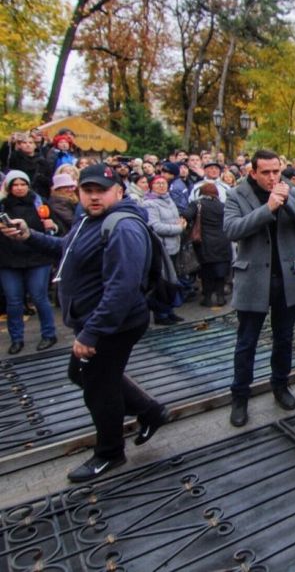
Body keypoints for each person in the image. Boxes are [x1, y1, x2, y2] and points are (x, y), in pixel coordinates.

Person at [0, 163, 169, 482]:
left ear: (118, 192)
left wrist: (91, 333)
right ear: (77, 192)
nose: (93, 197)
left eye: (101, 191)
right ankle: (150, 411)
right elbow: (68, 251)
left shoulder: (122, 227)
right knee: (84, 375)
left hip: (114, 324)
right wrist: (29, 236)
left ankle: (110, 453)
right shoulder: (87, 220)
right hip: (97, 321)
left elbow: (122, 287)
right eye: (87, 191)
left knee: (98, 388)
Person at [223, 149, 295, 427]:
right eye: (266, 172)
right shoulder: (236, 195)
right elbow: (232, 230)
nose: (272, 177)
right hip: (253, 279)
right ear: (253, 172)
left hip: (286, 278)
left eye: (276, 171)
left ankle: (281, 385)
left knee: (284, 338)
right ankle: (240, 395)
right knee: (247, 342)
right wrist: (268, 209)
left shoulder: (292, 192)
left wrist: (287, 202)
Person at [0, 170, 60, 353]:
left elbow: (55, 226)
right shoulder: (2, 205)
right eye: (15, 185)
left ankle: (49, 334)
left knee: (39, 297)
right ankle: (16, 338)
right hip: (9, 259)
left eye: (22, 184)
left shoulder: (39, 202)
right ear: (9, 187)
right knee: (13, 301)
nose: (19, 188)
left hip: (37, 257)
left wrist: (53, 226)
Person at [142, 174, 187, 325]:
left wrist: (180, 222)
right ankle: (161, 314)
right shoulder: (150, 203)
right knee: (161, 282)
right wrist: (178, 228)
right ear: (151, 186)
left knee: (171, 281)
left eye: (164, 183)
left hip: (173, 246)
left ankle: (169, 310)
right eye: (158, 183)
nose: (161, 186)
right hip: (162, 248)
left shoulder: (169, 200)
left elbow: (174, 218)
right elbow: (155, 226)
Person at [183, 182, 232, 307]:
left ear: (201, 192)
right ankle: (220, 297)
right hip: (223, 241)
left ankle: (208, 298)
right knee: (221, 270)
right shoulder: (223, 205)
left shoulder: (197, 204)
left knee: (207, 271)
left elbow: (186, 216)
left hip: (205, 242)